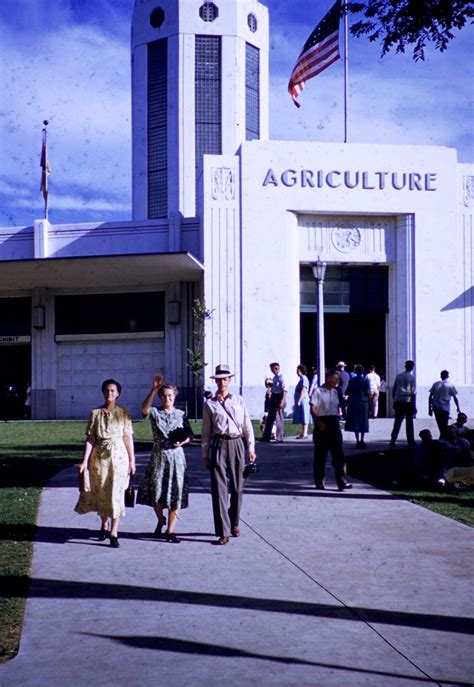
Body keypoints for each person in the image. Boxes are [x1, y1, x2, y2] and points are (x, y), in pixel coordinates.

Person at [75, 379, 136, 548]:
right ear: (103, 393)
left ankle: (114, 532)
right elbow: (90, 438)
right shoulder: (95, 413)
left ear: (118, 393)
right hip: (99, 458)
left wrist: (132, 460)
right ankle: (104, 524)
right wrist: (84, 462)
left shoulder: (124, 413)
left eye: (113, 391)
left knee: (116, 493)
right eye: (107, 390)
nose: (110, 393)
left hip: (119, 458)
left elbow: (127, 437)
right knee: (101, 491)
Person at [202, 364, 256, 545]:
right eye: (219, 379)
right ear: (215, 381)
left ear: (230, 380)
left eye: (225, 379)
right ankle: (223, 531)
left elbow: (247, 425)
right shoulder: (210, 404)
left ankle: (234, 521)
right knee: (219, 490)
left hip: (237, 443)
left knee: (238, 488)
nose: (222, 382)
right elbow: (206, 431)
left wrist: (251, 448)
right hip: (218, 443)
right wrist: (205, 454)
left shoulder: (239, 400)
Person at [137, 374, 193, 543]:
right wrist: (154, 390)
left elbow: (190, 434)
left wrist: (182, 441)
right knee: (156, 492)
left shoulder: (181, 414)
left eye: (170, 395)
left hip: (176, 458)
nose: (167, 398)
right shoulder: (155, 413)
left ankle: (170, 530)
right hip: (159, 456)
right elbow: (144, 410)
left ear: (175, 396)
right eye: (164, 395)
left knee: (175, 493)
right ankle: (161, 519)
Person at [310, 369, 352, 491]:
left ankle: (342, 481)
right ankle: (319, 481)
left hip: (334, 422)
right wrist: (319, 422)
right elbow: (312, 409)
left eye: (338, 379)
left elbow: (341, 406)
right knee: (320, 455)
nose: (337, 381)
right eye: (335, 379)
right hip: (322, 422)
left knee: (339, 454)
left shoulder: (336, 391)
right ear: (328, 378)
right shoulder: (318, 391)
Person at [389, 360, 416, 448]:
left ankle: (393, 440)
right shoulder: (412, 377)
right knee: (409, 422)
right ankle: (411, 441)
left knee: (397, 422)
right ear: (412, 367)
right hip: (408, 401)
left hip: (398, 400)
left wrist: (394, 401)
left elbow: (394, 389)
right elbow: (413, 392)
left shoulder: (399, 376)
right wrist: (414, 406)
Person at [428, 370, 461, 438]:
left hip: (436, 407)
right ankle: (443, 439)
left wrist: (429, 408)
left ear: (441, 376)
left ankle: (442, 438)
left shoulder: (436, 384)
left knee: (440, 424)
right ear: (448, 376)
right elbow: (455, 397)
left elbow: (430, 397)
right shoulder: (450, 385)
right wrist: (458, 407)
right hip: (445, 407)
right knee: (444, 425)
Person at [344, 364, 370, 448]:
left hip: (354, 402)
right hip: (363, 402)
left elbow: (347, 392)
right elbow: (368, 392)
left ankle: (357, 440)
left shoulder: (352, 380)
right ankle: (362, 439)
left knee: (356, 421)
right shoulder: (365, 380)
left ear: (356, 371)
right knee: (363, 421)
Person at [261, 362, 287, 443]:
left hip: (279, 397)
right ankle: (266, 437)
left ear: (276, 368)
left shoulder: (282, 377)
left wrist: (282, 401)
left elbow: (285, 390)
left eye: (272, 369)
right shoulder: (275, 377)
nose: (272, 371)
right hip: (274, 397)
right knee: (270, 418)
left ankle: (279, 438)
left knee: (278, 419)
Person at [293, 364, 310, 439]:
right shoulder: (301, 379)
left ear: (300, 371)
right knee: (302, 416)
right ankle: (302, 432)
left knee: (305, 415)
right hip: (301, 399)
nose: (297, 372)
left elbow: (303, 390)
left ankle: (305, 433)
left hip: (303, 400)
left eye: (298, 370)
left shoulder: (304, 379)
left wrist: (299, 400)